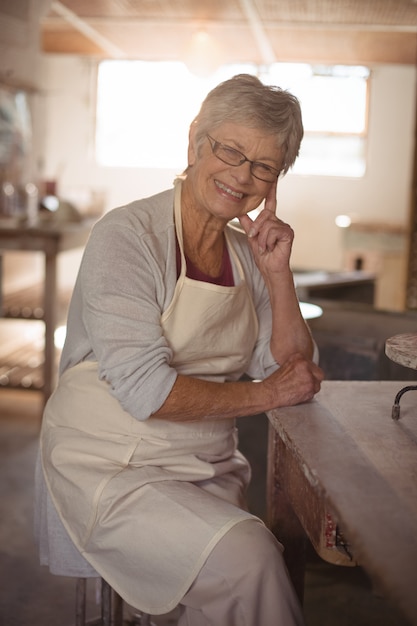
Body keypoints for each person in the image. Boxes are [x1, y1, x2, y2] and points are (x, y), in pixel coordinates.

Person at [35, 73, 323, 625]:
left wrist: (278, 275)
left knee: (241, 581)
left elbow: (292, 368)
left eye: (263, 167)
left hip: (204, 462)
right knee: (253, 563)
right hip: (110, 463)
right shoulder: (128, 237)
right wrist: (266, 394)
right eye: (231, 150)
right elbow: (147, 389)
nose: (241, 176)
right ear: (196, 139)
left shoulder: (248, 256)